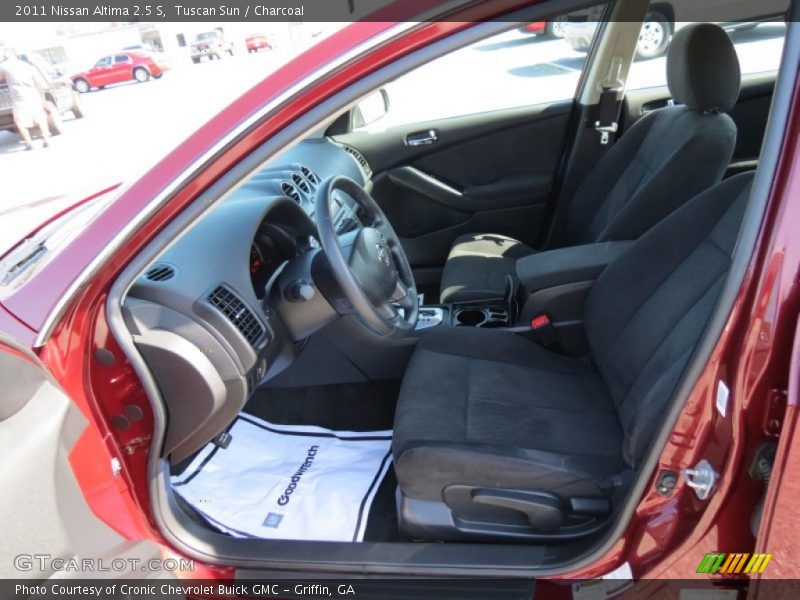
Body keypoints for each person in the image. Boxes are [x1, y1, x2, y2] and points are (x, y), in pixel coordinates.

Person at [0, 46, 51, 150]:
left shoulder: (3, 66)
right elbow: (38, 81)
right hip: (33, 95)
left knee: (20, 121)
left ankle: (29, 144)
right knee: (40, 118)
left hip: (19, 98)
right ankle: (46, 140)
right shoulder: (26, 65)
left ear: (6, 55)